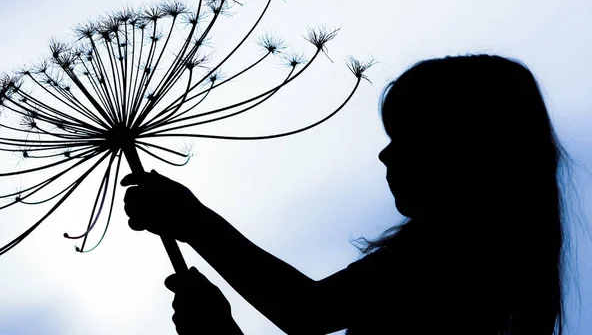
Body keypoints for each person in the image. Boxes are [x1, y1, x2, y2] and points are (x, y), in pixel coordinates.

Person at [122, 54, 575, 334]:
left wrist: (194, 222)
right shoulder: (497, 261)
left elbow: (308, 312)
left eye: (407, 137)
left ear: (467, 149)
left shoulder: (453, 253)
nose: (384, 154)